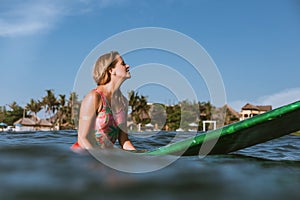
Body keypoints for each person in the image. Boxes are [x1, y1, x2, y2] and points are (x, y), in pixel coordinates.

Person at [71, 51, 136, 151]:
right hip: (83, 157)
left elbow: (124, 140)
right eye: (123, 64)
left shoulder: (123, 102)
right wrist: (99, 159)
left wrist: (140, 156)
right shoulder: (94, 97)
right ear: (111, 70)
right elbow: (82, 139)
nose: (128, 65)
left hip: (104, 159)